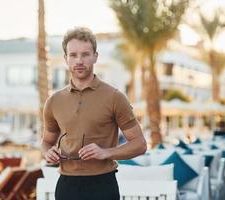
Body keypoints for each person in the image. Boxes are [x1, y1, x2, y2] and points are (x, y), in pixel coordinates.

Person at [41, 27, 147, 200]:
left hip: (102, 186)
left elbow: (140, 144)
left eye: (85, 54)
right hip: (66, 186)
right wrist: (47, 153)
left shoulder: (115, 97)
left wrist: (106, 152)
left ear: (95, 57)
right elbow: (46, 142)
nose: (79, 61)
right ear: (65, 59)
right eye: (73, 55)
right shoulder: (54, 101)